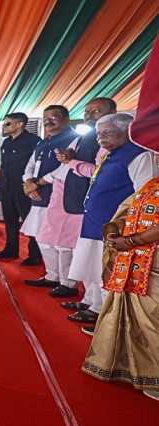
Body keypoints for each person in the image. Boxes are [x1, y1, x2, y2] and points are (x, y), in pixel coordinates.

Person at [66, 113, 158, 329]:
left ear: (128, 131)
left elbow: (146, 197)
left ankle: (111, 326)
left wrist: (131, 232)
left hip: (117, 228)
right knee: (93, 270)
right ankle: (95, 308)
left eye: (106, 133)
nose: (100, 139)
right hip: (96, 222)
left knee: (110, 275)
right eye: (98, 134)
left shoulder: (139, 156)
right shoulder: (111, 154)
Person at [83, 176, 159, 398]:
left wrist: (133, 241)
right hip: (134, 262)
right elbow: (127, 212)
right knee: (136, 315)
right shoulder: (152, 184)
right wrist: (113, 231)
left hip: (152, 263)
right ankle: (131, 368)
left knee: (154, 318)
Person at [55, 98, 116, 315]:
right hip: (84, 203)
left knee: (97, 258)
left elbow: (98, 172)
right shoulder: (86, 137)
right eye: (87, 111)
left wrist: (72, 163)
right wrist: (69, 157)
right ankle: (89, 300)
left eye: (96, 111)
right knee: (87, 256)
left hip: (100, 208)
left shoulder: (116, 144)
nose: (89, 115)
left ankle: (99, 308)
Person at [21, 105, 78, 292]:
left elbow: (66, 168)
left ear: (66, 119)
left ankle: (68, 283)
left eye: (53, 117)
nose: (48, 121)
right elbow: (30, 165)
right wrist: (28, 183)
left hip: (59, 198)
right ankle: (52, 276)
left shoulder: (75, 139)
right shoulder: (43, 142)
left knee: (62, 242)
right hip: (37, 197)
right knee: (43, 239)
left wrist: (37, 183)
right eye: (45, 117)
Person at [0, 113, 42, 262]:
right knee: (10, 221)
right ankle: (11, 250)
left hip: (24, 187)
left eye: (8, 124)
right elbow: (2, 164)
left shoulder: (34, 141)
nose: (4, 127)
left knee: (29, 220)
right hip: (7, 187)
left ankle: (35, 255)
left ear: (20, 124)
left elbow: (37, 165)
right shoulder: (6, 142)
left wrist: (33, 185)